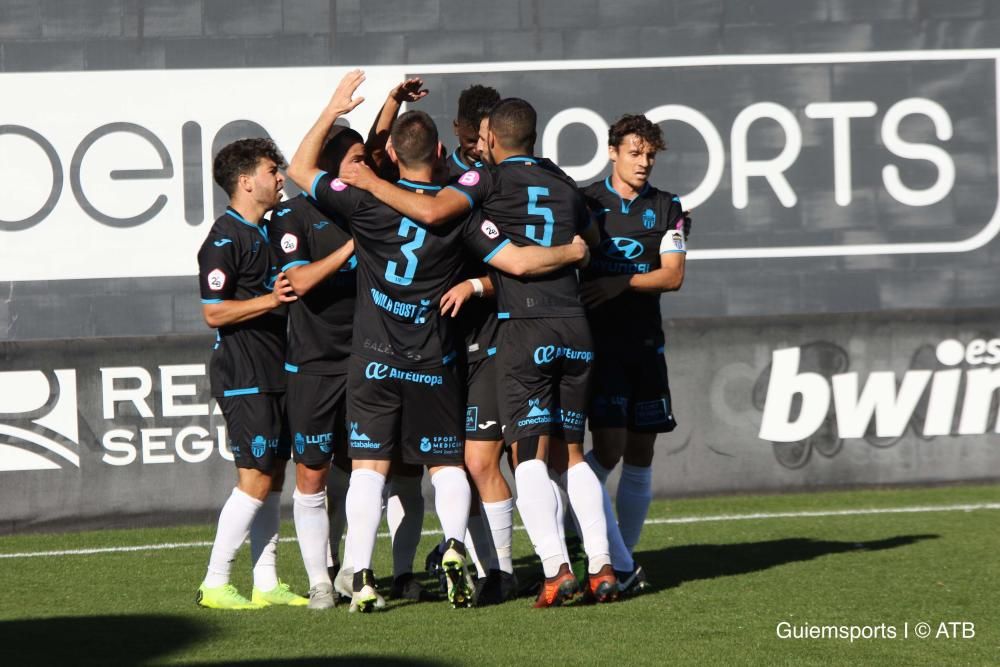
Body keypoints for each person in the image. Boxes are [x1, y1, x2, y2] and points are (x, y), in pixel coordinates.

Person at [287, 71, 589, 611]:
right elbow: (512, 262)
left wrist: (335, 108)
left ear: (393, 158)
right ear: (443, 149)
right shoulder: (461, 212)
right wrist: (568, 254)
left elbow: (300, 168)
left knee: (367, 470)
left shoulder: (364, 203)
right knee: (448, 467)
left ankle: (360, 576)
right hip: (433, 359)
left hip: (373, 357)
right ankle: (454, 544)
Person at [270, 79, 432, 609]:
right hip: (316, 362)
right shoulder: (296, 215)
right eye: (360, 158)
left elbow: (379, 146)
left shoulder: (369, 201)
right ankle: (321, 578)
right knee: (314, 473)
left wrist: (393, 102)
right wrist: (349, 251)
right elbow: (297, 285)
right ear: (336, 165)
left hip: (376, 357)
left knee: (390, 470)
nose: (372, 163)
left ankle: (382, 572)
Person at [580, 114, 691, 595]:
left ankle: (621, 558)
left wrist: (619, 281)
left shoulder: (669, 208)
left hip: (646, 345)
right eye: (634, 153)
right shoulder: (585, 202)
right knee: (608, 449)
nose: (643, 162)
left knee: (642, 451)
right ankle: (585, 527)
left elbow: (673, 276)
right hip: (597, 346)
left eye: (649, 155)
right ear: (612, 152)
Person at [195, 138, 307, 610]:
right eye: (270, 170)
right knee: (256, 477)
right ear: (245, 181)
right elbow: (214, 314)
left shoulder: (269, 229)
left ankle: (266, 583)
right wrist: (271, 300)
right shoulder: (223, 238)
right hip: (244, 372)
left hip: (275, 368)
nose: (280, 177)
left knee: (274, 476)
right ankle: (215, 583)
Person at [426, 84, 518, 605]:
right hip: (438, 342)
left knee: (496, 459)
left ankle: (513, 568)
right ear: (461, 130)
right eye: (478, 130)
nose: (484, 139)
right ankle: (480, 564)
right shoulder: (440, 181)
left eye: (492, 131)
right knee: (456, 463)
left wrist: (479, 285)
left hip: (495, 335)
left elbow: (517, 261)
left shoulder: (510, 182)